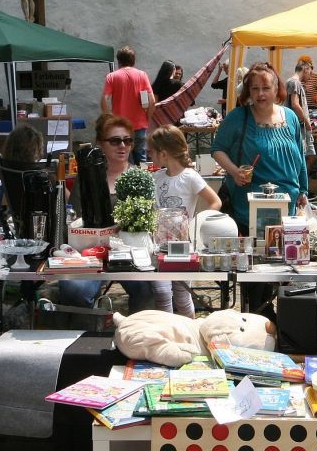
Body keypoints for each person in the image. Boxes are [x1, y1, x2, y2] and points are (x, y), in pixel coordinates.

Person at [212, 63, 309, 317]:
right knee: (257, 273)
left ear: (277, 88)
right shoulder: (239, 117)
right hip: (250, 208)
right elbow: (217, 148)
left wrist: (303, 189)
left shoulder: (289, 117)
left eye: (266, 87)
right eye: (255, 88)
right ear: (248, 91)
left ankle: (285, 324)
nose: (261, 94)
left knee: (286, 269)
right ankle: (258, 321)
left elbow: (298, 154)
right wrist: (234, 171)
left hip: (287, 207)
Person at [57, 114, 156, 311]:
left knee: (147, 287)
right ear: (100, 144)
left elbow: (150, 221)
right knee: (74, 288)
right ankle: (87, 336)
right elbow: (74, 216)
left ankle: (137, 333)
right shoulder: (86, 178)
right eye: (115, 141)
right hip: (90, 252)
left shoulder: (140, 177)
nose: (123, 146)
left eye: (128, 141)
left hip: (130, 253)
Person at [148, 125, 221, 317]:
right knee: (162, 292)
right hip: (159, 245)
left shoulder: (190, 177)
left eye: (152, 152)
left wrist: (194, 224)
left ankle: (189, 331)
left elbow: (215, 201)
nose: (150, 156)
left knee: (182, 293)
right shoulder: (156, 177)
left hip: (183, 246)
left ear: (163, 154)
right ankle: (167, 332)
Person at [101, 46, 155, 164]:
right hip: (140, 125)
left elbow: (104, 99)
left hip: (120, 126)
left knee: (125, 160)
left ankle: (127, 182)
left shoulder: (112, 76)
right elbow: (152, 100)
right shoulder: (142, 75)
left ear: (119, 61)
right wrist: (148, 118)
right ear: (133, 61)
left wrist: (108, 118)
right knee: (142, 158)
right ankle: (144, 182)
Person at [284, 58, 317, 184]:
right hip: (299, 126)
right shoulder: (295, 83)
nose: (310, 76)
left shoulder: (291, 82)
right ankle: (300, 185)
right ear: (305, 69)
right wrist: (307, 123)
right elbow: (295, 104)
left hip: (296, 125)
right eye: (310, 73)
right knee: (308, 156)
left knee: (307, 156)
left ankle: (300, 185)